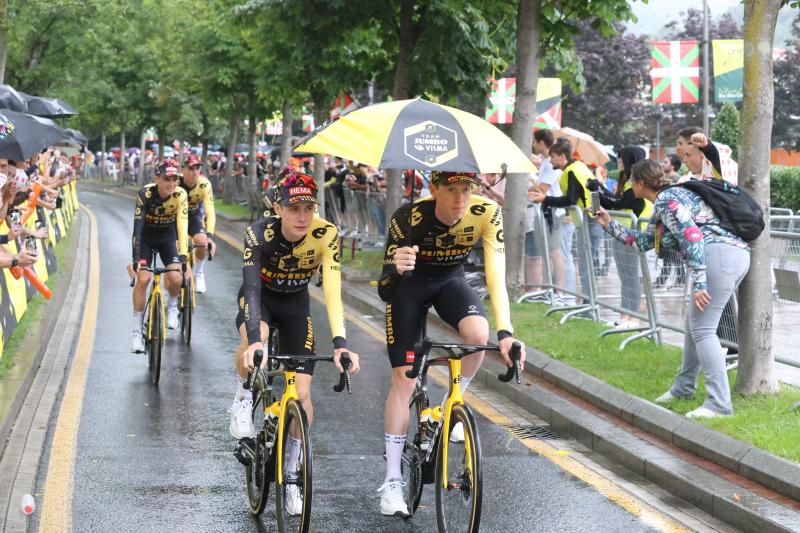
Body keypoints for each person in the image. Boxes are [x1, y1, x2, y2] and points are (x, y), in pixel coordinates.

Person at [376, 170, 526, 517]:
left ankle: (448, 408)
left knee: (478, 335)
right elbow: (385, 289)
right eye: (451, 190)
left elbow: (495, 276)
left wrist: (506, 332)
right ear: (433, 190)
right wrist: (397, 268)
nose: (461, 199)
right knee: (404, 380)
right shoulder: (408, 217)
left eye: (467, 190)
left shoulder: (486, 212)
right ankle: (393, 480)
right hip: (408, 290)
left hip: (448, 282)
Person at [228, 169, 360, 514]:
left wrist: (341, 342)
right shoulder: (259, 233)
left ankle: (292, 471)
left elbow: (332, 292)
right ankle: (243, 398)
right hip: (261, 301)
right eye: (294, 208)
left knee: (301, 395)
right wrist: (256, 339)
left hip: (296, 304)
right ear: (278, 207)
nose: (302, 216)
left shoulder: (325, 233)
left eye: (308, 208)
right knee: (259, 338)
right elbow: (252, 288)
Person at [596, 159, 749, 418]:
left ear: (641, 183)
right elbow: (645, 242)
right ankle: (683, 388)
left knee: (703, 330)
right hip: (728, 256)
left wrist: (700, 282)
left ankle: (720, 405)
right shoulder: (665, 201)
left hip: (718, 256)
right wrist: (609, 223)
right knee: (695, 326)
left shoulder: (668, 201)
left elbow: (692, 236)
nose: (629, 185)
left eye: (631, 180)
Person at [129, 159, 189, 353]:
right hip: (146, 238)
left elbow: (182, 225)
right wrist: (136, 259)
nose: (171, 183)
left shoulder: (180, 194)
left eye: (174, 179)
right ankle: (137, 332)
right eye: (166, 179)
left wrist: (183, 257)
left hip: (166, 238)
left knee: (175, 276)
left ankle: (172, 307)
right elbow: (137, 228)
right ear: (157, 178)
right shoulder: (145, 194)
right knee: (144, 278)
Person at [588, 146, 652, 328]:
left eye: (621, 158)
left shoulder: (638, 184)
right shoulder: (626, 181)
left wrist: (598, 187)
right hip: (620, 233)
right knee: (625, 277)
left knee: (631, 277)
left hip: (632, 235)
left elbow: (617, 203)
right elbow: (615, 201)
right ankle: (625, 314)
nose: (619, 161)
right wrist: (597, 189)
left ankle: (633, 317)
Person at [530, 139, 596, 303]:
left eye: (553, 156)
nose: (550, 160)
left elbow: (570, 200)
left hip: (588, 219)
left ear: (562, 157)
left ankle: (569, 298)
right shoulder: (576, 168)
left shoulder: (572, 170)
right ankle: (577, 299)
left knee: (569, 258)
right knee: (578, 259)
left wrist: (545, 199)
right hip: (584, 218)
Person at [526, 129, 565, 296]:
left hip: (553, 212)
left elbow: (542, 188)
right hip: (543, 211)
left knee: (555, 252)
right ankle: (548, 289)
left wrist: (524, 191)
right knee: (547, 252)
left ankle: (560, 292)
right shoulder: (544, 161)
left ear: (541, 142)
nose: (534, 145)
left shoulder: (552, 162)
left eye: (535, 142)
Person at [178, 154, 216, 293]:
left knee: (202, 241)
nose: (195, 172)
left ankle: (198, 272)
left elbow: (210, 212)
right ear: (182, 170)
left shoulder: (204, 184)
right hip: (175, 218)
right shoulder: (174, 182)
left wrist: (210, 236)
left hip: (193, 216)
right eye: (191, 168)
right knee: (175, 246)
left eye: (198, 168)